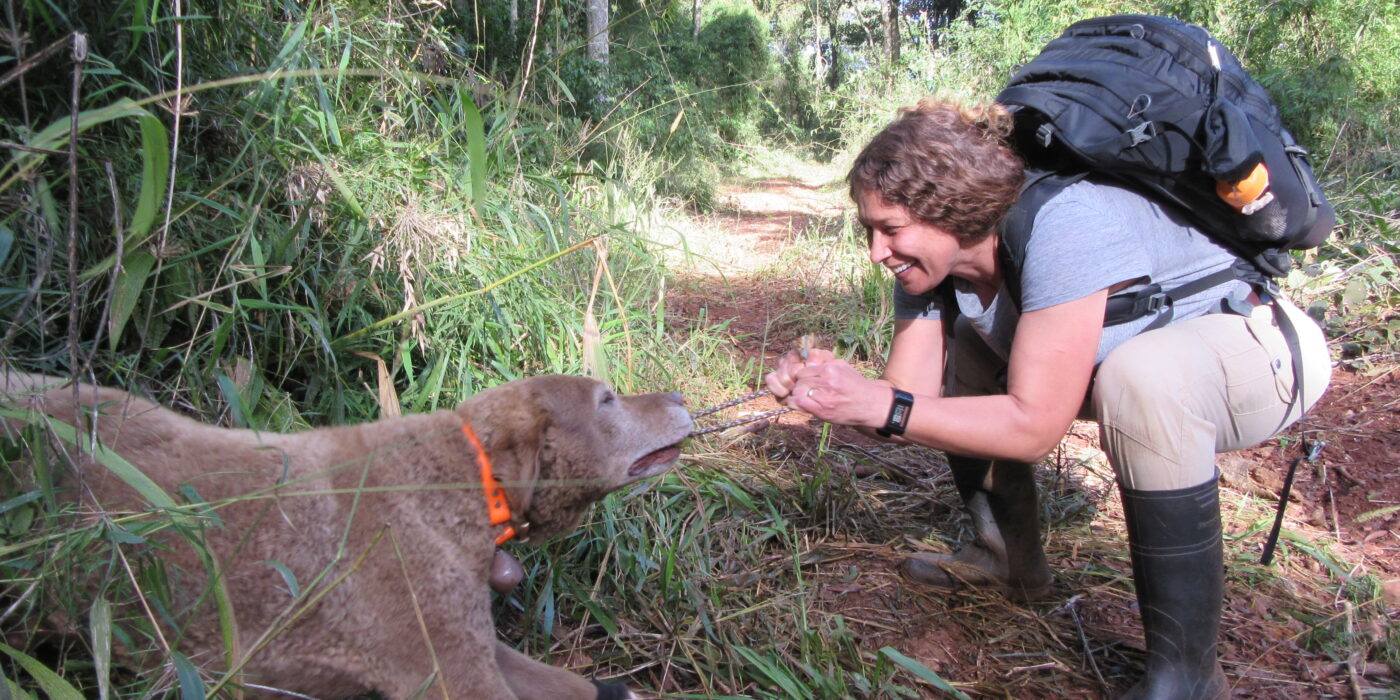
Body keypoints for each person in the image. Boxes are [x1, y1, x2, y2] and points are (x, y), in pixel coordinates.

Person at [763, 99, 1331, 699]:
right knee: (972, 339)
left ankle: (1188, 676)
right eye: (868, 231)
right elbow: (908, 403)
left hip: (1260, 351)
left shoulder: (1063, 224)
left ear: (949, 211)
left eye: (891, 230)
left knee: (1142, 375)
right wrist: (836, 389)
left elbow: (1033, 427)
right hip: (1132, 363)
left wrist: (883, 406)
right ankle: (1007, 560)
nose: (877, 252)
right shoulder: (928, 268)